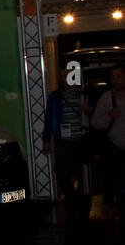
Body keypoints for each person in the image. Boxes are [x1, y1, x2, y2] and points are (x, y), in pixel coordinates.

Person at [42, 67, 89, 224]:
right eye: (60, 75)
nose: (62, 78)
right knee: (61, 173)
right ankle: (74, 200)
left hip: (81, 139)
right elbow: (49, 117)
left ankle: (81, 205)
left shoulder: (83, 94)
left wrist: (89, 110)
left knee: (81, 174)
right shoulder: (56, 96)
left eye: (66, 75)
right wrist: (47, 139)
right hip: (63, 140)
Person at [89, 64, 125, 218]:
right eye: (112, 77)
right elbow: (96, 122)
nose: (115, 80)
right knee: (115, 180)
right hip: (114, 148)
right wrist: (110, 116)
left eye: (119, 76)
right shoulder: (107, 98)